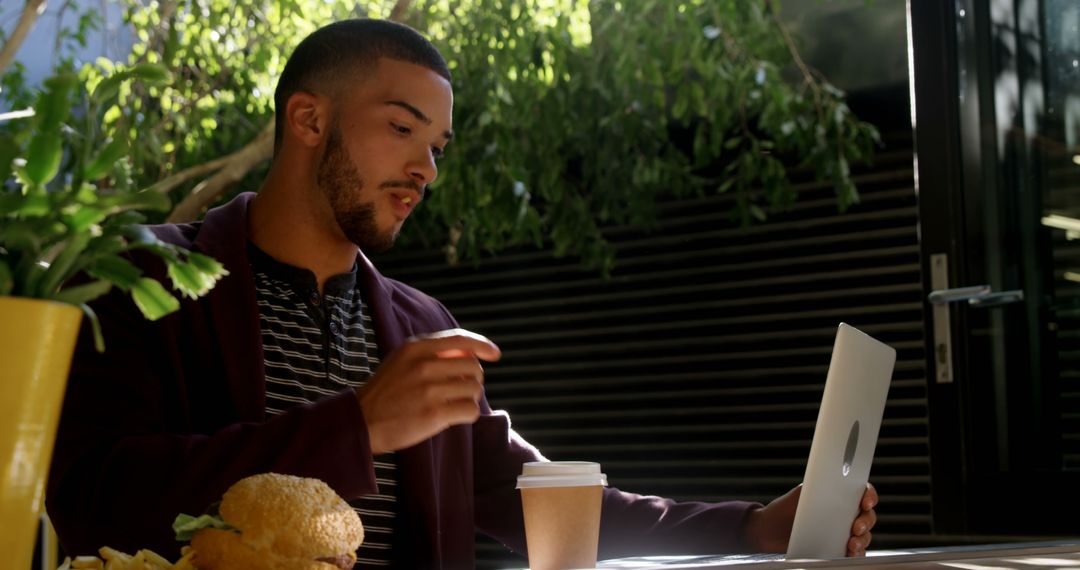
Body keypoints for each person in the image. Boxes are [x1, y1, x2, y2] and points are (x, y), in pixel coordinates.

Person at [46, 19, 877, 568]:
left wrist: (748, 529)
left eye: (437, 146)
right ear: (307, 121)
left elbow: (543, 504)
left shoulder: (421, 325)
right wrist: (359, 424)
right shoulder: (148, 275)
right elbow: (90, 498)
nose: (425, 169)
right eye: (403, 129)